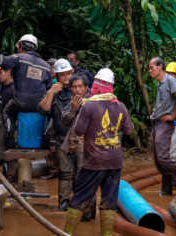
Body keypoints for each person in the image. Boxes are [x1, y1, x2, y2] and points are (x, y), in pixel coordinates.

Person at [63, 68, 134, 236]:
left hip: (94, 161)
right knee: (109, 201)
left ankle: (66, 233)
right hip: (115, 162)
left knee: (79, 198)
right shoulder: (121, 106)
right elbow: (129, 130)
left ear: (96, 85)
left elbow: (79, 130)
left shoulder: (89, 106)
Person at [0, 34, 52, 147]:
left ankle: (10, 139)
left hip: (21, 102)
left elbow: (1, 60)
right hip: (39, 105)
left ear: (22, 46)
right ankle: (45, 138)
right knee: (50, 112)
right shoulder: (46, 65)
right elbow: (49, 87)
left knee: (7, 112)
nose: (18, 48)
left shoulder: (19, 58)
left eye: (18, 46)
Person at [38, 58, 75, 211]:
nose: (66, 78)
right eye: (63, 75)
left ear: (72, 73)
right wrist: (51, 93)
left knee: (82, 173)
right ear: (57, 76)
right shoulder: (54, 92)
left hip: (80, 138)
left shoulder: (79, 87)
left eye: (68, 74)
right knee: (66, 173)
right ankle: (64, 202)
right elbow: (42, 109)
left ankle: (81, 204)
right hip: (61, 138)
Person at [59, 73, 97, 221]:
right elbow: (64, 122)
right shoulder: (71, 102)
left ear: (86, 88)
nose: (77, 90)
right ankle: (66, 204)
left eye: (80, 86)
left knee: (85, 177)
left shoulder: (93, 102)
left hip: (87, 145)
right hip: (70, 143)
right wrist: (73, 110)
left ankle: (88, 211)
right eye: (74, 87)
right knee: (67, 175)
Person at [148, 57, 176, 196]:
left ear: (159, 67)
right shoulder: (160, 83)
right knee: (158, 160)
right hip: (158, 122)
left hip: (167, 124)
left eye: (151, 67)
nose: (150, 71)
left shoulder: (169, 80)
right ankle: (167, 188)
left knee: (163, 158)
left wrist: (173, 115)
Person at [0, 65, 15, 148]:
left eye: (0, 73)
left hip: (11, 121)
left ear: (8, 72)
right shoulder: (0, 87)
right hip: (1, 121)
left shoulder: (14, 88)